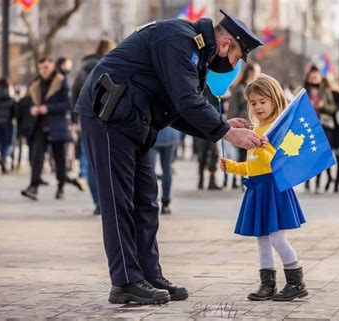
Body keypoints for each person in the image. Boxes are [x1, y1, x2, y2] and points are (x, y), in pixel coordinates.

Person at [75, 10, 265, 305]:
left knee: (147, 200)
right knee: (119, 201)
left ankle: (149, 275)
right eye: (237, 55)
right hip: (108, 117)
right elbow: (187, 101)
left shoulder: (194, 51)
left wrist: (223, 124)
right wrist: (226, 133)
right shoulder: (178, 39)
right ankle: (125, 281)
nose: (233, 64)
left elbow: (180, 109)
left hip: (132, 121)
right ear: (225, 44)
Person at [220, 74, 308, 302]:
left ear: (275, 100)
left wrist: (268, 147)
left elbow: (281, 161)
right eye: (253, 102)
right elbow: (253, 166)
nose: (257, 107)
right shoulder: (256, 129)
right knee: (262, 239)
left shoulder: (278, 129)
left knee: (277, 238)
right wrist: (232, 167)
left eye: (262, 101)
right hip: (257, 189)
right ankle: (267, 284)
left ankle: (296, 281)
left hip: (274, 189)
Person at [72, 38, 117, 215]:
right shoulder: (111, 65)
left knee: (90, 160)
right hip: (108, 118)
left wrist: (74, 119)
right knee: (109, 161)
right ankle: (108, 201)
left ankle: (97, 202)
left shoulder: (83, 68)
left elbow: (75, 93)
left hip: (86, 117)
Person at [21, 58, 72, 200]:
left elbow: (68, 104)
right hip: (40, 125)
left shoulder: (61, 81)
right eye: (41, 67)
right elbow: (29, 101)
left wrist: (47, 108)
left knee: (59, 158)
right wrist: (32, 108)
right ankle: (33, 187)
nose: (44, 70)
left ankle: (61, 187)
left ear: (52, 67)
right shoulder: (35, 83)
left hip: (57, 125)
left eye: (46, 67)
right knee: (37, 157)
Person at [303, 65, 336, 192]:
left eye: (316, 76)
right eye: (311, 77)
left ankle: (317, 183)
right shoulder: (304, 91)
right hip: (308, 127)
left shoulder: (326, 90)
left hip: (323, 126)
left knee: (320, 156)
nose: (314, 79)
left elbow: (333, 107)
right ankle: (306, 181)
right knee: (308, 156)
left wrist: (323, 106)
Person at [227, 62, 261, 189]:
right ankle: (241, 180)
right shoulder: (240, 89)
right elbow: (233, 108)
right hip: (242, 125)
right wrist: (235, 125)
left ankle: (244, 179)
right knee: (242, 155)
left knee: (250, 154)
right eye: (254, 72)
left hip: (254, 126)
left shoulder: (256, 89)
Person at [149, 127, 181, 214]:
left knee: (150, 171)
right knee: (167, 169)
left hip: (152, 134)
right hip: (170, 134)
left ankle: (150, 201)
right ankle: (165, 203)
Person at [0, 78, 16, 174]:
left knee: (0, 142)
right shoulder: (10, 95)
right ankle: (4, 158)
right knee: (7, 142)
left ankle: (0, 157)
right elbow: (14, 109)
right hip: (7, 122)